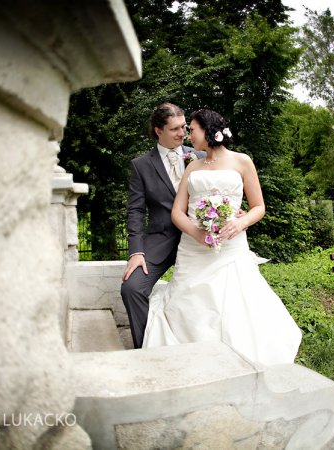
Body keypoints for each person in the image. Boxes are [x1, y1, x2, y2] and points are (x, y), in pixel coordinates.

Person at [142, 109, 302, 366]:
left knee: (234, 303)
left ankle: (234, 353)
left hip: (230, 246)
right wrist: (197, 234)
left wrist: (240, 222)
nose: (188, 135)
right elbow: (177, 212)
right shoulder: (192, 166)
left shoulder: (242, 161)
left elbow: (259, 207)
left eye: (192, 130)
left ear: (208, 131)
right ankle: (197, 355)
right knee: (192, 303)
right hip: (194, 249)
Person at [121, 102, 206, 349]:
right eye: (175, 129)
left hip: (198, 238)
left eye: (184, 127)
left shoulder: (200, 156)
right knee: (132, 288)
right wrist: (136, 252)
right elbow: (135, 211)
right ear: (158, 130)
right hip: (161, 239)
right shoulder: (141, 165)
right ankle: (145, 351)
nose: (182, 133)